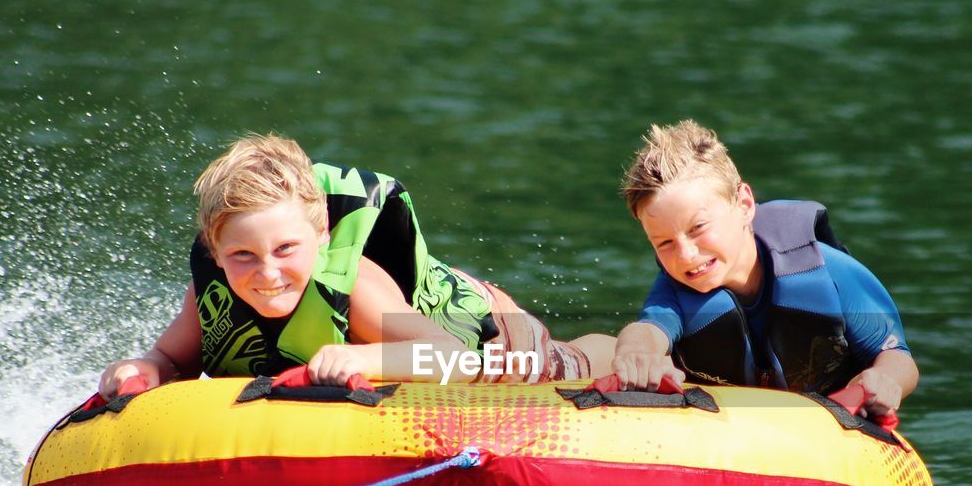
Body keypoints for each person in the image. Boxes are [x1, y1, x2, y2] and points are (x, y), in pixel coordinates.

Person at [100, 134, 612, 398]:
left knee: (568, 364)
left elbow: (457, 359)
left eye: (285, 250)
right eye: (242, 256)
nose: (267, 273)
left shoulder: (356, 286)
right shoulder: (210, 295)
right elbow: (171, 359)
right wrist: (146, 368)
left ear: (321, 236)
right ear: (215, 253)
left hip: (495, 337)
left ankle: (633, 345)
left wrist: (366, 361)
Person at [611, 120, 918, 419]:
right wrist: (637, 353)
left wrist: (883, 380)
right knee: (607, 347)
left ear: (744, 204)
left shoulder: (826, 271)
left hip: (831, 420)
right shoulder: (675, 292)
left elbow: (896, 356)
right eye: (664, 243)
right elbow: (647, 332)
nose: (687, 255)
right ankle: (567, 362)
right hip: (724, 426)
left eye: (698, 227)